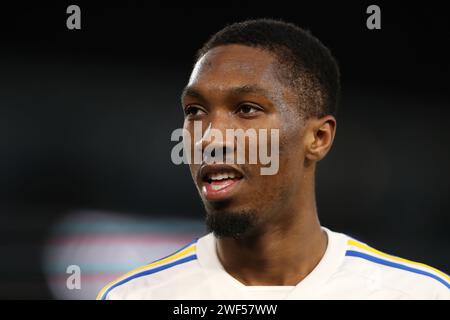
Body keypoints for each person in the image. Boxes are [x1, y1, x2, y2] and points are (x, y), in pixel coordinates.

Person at [97, 19, 449, 300]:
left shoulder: (419, 294)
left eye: (247, 109)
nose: (209, 137)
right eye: (195, 110)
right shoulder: (133, 295)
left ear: (318, 138)